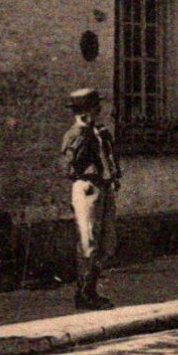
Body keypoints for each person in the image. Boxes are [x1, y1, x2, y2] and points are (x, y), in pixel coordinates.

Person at [59, 87, 120, 309]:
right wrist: (84, 133)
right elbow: (69, 167)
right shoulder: (76, 134)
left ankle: (92, 289)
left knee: (107, 243)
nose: (100, 110)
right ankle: (84, 294)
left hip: (103, 187)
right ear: (84, 111)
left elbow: (109, 157)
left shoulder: (99, 132)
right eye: (95, 107)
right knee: (88, 242)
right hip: (87, 188)